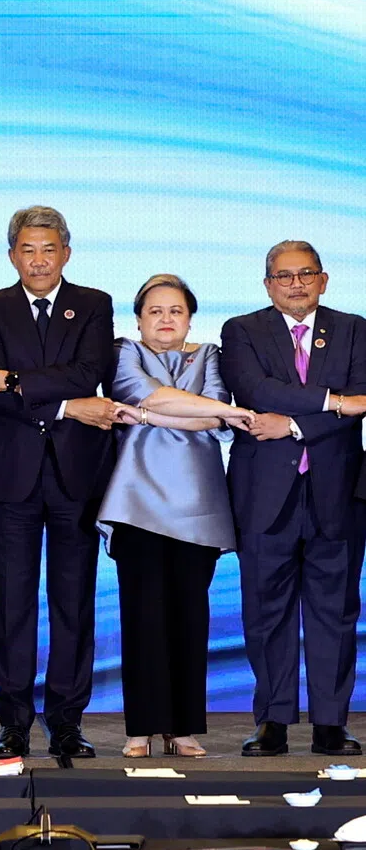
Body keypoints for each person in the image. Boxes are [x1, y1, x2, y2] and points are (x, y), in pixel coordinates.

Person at [0, 206, 116, 759]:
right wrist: (66, 405)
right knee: (11, 603)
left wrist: (19, 381)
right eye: (28, 250)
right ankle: (13, 723)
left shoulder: (94, 304)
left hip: (77, 474)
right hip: (11, 474)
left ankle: (68, 722)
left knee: (73, 601)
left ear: (66, 253)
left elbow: (86, 373)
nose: (39, 260)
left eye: (49, 249)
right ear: (12, 255)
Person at [97, 274, 255, 758]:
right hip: (137, 501)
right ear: (139, 318)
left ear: (190, 317)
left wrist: (151, 416)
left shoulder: (209, 355)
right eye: (155, 311)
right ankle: (141, 728)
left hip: (198, 505)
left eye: (176, 311)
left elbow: (214, 415)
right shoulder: (124, 351)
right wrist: (157, 412)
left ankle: (183, 727)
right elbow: (145, 395)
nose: (166, 320)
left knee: (190, 616)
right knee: (142, 616)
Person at [221, 240, 366, 757]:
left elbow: (363, 396)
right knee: (266, 611)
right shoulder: (242, 331)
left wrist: (298, 425)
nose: (296, 284)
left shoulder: (355, 329)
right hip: (264, 493)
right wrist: (333, 403)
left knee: (336, 611)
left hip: (338, 492)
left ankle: (331, 723)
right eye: (284, 276)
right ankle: (273, 721)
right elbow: (257, 390)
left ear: (324, 279)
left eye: (306, 273)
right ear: (268, 285)